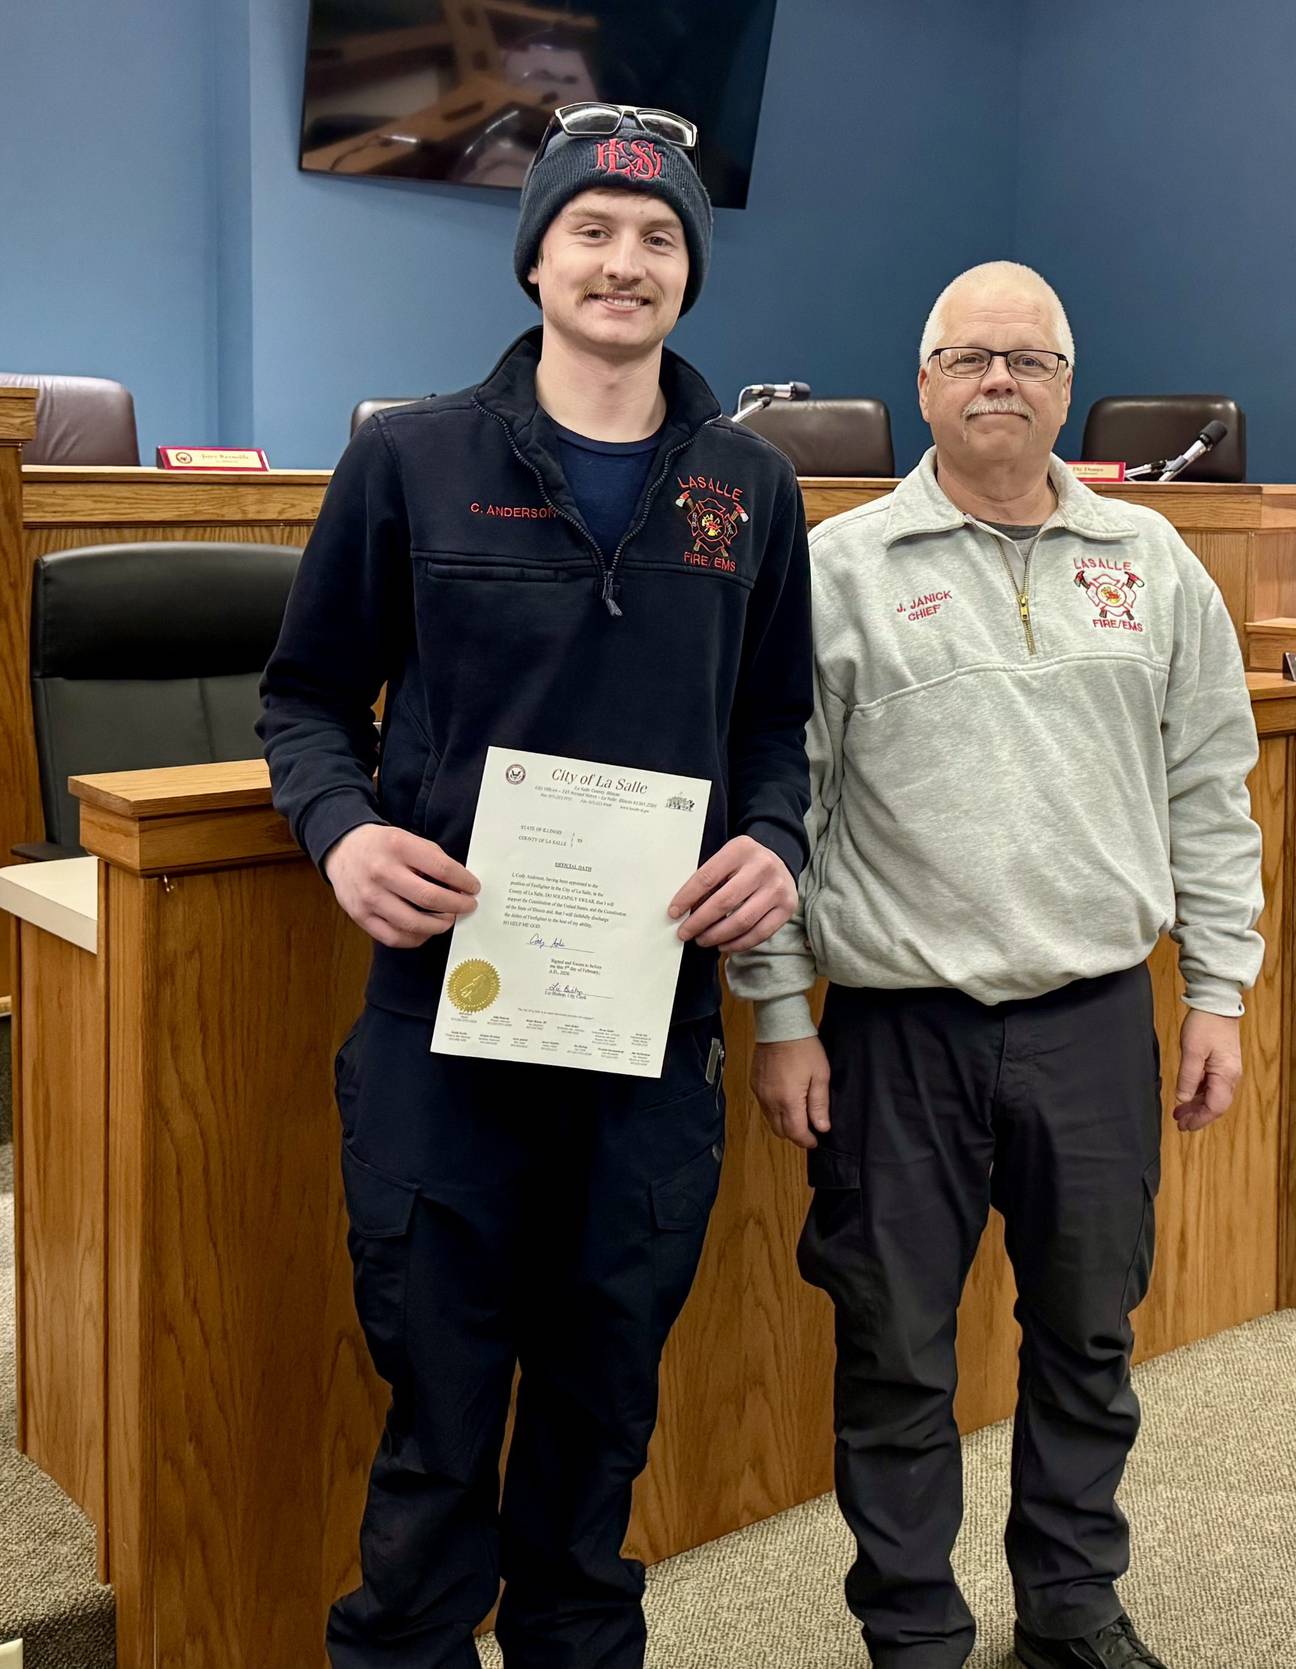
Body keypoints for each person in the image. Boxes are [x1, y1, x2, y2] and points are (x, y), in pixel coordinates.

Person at [258, 103, 812, 1669]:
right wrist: (343, 832)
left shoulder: (751, 489)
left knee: (595, 1446)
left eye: (658, 238)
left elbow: (778, 727)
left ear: (689, 272)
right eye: (592, 230)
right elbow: (305, 698)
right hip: (446, 1036)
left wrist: (772, 840)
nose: (623, 262)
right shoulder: (408, 459)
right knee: (438, 1450)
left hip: (647, 1057)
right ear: (537, 256)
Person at [728, 261, 1263, 1669]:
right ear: (923, 384)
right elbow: (777, 806)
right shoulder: (839, 570)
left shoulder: (1152, 563)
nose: (999, 381)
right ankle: (912, 1625)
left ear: (1066, 384)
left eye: (1027, 359)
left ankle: (1073, 1602)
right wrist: (781, 1013)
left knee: (1089, 1334)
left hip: (1095, 1021)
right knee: (895, 1348)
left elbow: (1211, 784)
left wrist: (1218, 988)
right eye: (969, 357)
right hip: (898, 1031)